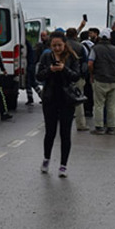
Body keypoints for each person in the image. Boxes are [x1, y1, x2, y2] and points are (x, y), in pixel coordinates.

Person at [36, 31, 81, 178]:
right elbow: (39, 75)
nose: (56, 48)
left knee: (65, 133)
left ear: (65, 44)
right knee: (50, 131)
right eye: (54, 45)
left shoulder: (72, 57)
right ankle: (46, 158)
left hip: (66, 99)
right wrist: (50, 69)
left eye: (59, 45)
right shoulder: (46, 56)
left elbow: (76, 76)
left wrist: (64, 69)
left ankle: (63, 165)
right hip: (49, 98)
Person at [88, 28, 115, 135]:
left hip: (100, 79)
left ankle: (99, 127)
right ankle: (111, 127)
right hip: (113, 80)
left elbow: (90, 63)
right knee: (111, 105)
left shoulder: (95, 48)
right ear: (109, 38)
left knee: (99, 104)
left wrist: (92, 74)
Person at [65, 27, 89, 131]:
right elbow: (85, 62)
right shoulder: (81, 47)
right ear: (75, 35)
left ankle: (61, 120)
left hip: (64, 76)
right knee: (78, 101)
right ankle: (81, 124)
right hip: (77, 76)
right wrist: (83, 75)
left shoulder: (62, 45)